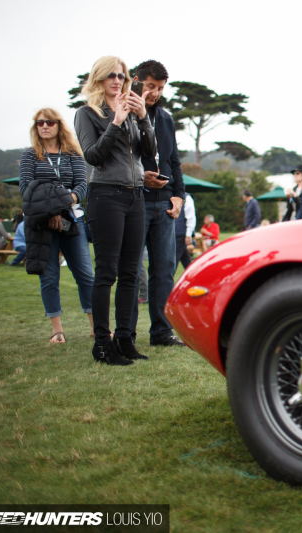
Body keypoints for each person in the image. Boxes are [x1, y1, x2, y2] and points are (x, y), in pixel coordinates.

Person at [75, 56, 156, 365]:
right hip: (105, 195)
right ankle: (102, 343)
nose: (117, 80)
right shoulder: (87, 113)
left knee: (131, 272)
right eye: (110, 75)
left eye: (121, 75)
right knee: (106, 271)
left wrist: (143, 116)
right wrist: (116, 122)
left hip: (136, 196)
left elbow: (150, 151)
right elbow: (93, 156)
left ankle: (124, 338)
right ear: (98, 79)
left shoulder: (133, 112)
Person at [19, 108, 94, 344]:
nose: (44, 126)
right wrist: (50, 212)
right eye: (40, 123)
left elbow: (82, 185)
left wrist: (66, 202)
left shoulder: (74, 155)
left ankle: (97, 327)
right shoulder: (30, 155)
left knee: (86, 275)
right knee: (49, 276)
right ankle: (57, 331)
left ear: (59, 125)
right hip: (42, 224)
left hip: (72, 219)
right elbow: (26, 189)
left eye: (49, 122)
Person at [128, 60, 186, 348]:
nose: (154, 93)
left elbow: (173, 160)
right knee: (131, 270)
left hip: (165, 204)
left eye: (160, 89)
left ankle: (161, 333)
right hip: (134, 201)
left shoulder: (164, 118)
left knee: (163, 271)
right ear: (136, 80)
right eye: (150, 87)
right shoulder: (120, 113)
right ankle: (126, 335)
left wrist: (179, 195)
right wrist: (141, 178)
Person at [175, 193, 196, 269]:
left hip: (180, 233)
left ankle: (166, 279)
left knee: (174, 259)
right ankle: (194, 277)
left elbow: (191, 217)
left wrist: (188, 235)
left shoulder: (187, 198)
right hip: (176, 233)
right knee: (186, 259)